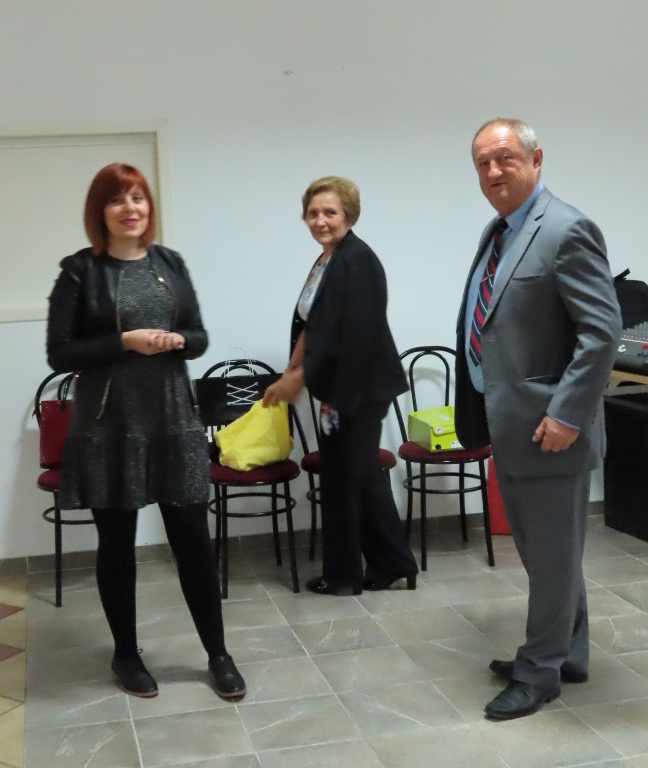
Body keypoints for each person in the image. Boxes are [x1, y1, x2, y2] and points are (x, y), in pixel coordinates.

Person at [45, 162, 245, 701]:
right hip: (108, 425)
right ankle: (126, 654)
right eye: (117, 199)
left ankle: (218, 654)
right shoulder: (79, 272)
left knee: (193, 541)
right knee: (117, 544)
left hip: (173, 418)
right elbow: (59, 353)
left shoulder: (170, 263)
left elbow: (199, 336)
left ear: (149, 206)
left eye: (138, 197)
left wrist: (178, 342)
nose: (130, 208)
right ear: (100, 211)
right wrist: (125, 342)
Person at [454, 119, 621, 720]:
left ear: (536, 158)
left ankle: (538, 672)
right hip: (511, 423)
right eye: (482, 163)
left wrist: (567, 414)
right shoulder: (500, 231)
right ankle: (568, 653)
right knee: (551, 554)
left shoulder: (566, 229)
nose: (493, 171)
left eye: (504, 158)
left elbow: (601, 333)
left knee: (549, 559)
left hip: (551, 431)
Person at [263, 176, 418, 596]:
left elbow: (358, 334)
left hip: (358, 390)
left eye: (329, 212)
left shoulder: (357, 259)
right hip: (341, 388)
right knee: (360, 477)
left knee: (344, 481)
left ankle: (344, 576)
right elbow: (313, 324)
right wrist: (293, 370)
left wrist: (309, 383)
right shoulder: (327, 260)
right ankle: (394, 563)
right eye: (313, 213)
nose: (320, 220)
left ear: (348, 214)